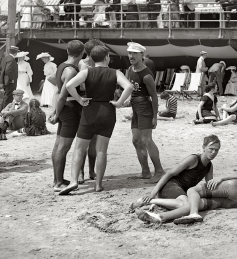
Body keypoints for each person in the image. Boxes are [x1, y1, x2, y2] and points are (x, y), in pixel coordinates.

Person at [58, 45, 134, 195]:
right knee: (101, 150)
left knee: (79, 149)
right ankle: (98, 184)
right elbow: (129, 87)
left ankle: (74, 181)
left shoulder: (87, 71)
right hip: (107, 111)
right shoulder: (115, 72)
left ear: (92, 58)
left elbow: (69, 85)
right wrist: (119, 103)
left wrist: (79, 99)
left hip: (90, 111)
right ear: (107, 57)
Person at [130, 135, 220, 223]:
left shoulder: (209, 166)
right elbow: (169, 173)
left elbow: (209, 186)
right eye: (211, 148)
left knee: (188, 204)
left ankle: (157, 204)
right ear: (203, 147)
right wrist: (152, 194)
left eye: (216, 150)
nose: (213, 152)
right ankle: (149, 201)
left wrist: (220, 180)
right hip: (170, 186)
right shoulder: (193, 159)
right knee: (186, 204)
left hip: (180, 193)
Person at [48, 40, 95, 192]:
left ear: (67, 51)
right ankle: (58, 182)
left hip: (64, 109)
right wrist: (57, 113)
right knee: (63, 147)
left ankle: (58, 179)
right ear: (82, 53)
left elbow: (57, 89)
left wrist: (56, 111)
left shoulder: (62, 66)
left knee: (58, 146)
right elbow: (62, 96)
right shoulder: (72, 71)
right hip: (70, 110)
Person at [170, 153, 237, 225]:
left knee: (193, 190)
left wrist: (221, 178)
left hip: (235, 189)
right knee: (198, 203)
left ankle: (193, 213)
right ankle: (163, 216)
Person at [126, 42, 164, 181]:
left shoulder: (146, 74)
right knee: (136, 140)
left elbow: (154, 96)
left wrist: (155, 116)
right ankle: (145, 171)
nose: (131, 56)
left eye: (134, 53)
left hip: (144, 106)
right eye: (129, 53)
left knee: (147, 140)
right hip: (135, 107)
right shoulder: (130, 69)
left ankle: (159, 171)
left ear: (142, 55)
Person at [0, 46, 19, 111]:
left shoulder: (5, 58)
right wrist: (12, 78)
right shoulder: (11, 59)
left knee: (6, 96)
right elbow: (8, 70)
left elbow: (1, 68)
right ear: (16, 52)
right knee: (9, 97)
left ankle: (2, 111)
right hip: (10, 81)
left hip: (5, 80)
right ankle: (5, 111)